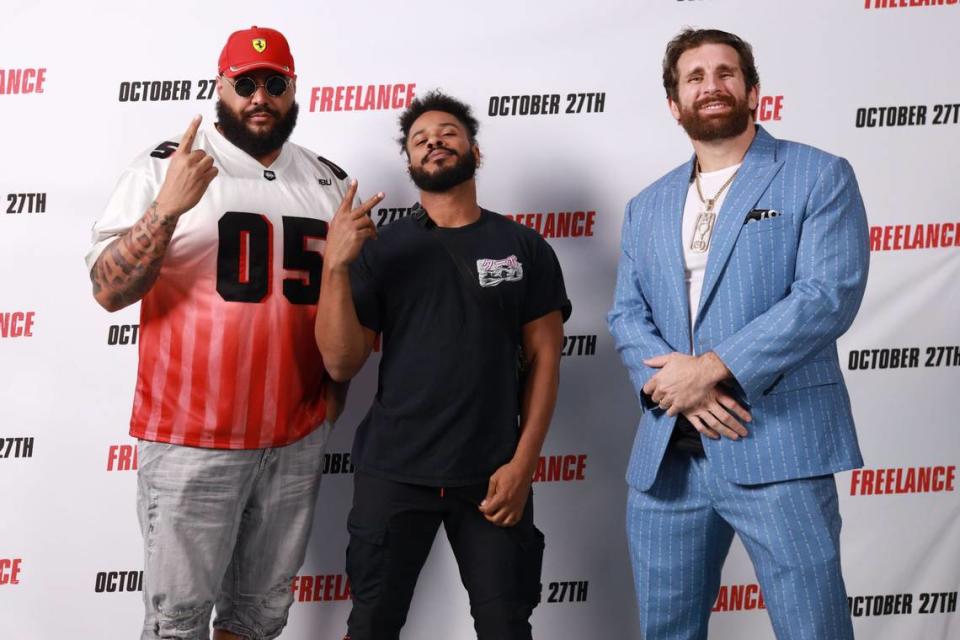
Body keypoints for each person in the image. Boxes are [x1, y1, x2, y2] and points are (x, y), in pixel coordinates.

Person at [85, 25, 369, 640]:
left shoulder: (326, 182)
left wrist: (329, 396)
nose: (259, 97)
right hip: (193, 439)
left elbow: (344, 309)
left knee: (259, 618)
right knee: (177, 623)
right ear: (221, 87)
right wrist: (168, 207)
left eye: (274, 84)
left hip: (292, 440)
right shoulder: (167, 167)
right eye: (245, 83)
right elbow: (109, 290)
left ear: (294, 90)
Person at [608, 28, 869, 639]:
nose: (711, 86)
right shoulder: (645, 206)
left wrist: (711, 369)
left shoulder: (817, 175)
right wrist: (680, 388)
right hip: (668, 458)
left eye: (726, 73)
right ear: (675, 105)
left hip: (778, 445)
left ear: (753, 91)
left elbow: (826, 295)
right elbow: (625, 315)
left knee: (814, 629)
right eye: (694, 78)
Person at [315, 90, 571, 640]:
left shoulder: (522, 245)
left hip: (492, 474)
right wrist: (336, 268)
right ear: (409, 162)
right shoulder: (382, 248)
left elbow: (547, 358)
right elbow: (340, 363)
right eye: (419, 139)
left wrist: (524, 464)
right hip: (394, 471)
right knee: (372, 624)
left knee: (506, 626)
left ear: (475, 152)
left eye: (449, 133)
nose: (434, 141)